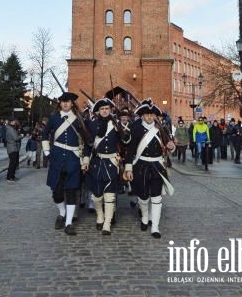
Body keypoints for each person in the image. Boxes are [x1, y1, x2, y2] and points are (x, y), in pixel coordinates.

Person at [124, 99, 175, 239]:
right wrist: (128, 168)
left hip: (157, 166)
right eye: (147, 115)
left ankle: (155, 227)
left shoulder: (161, 128)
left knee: (156, 197)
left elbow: (168, 145)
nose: (149, 117)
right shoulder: (135, 128)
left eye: (152, 115)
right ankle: (145, 217)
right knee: (143, 196)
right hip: (140, 166)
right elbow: (131, 150)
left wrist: (171, 146)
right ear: (142, 115)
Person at [82, 97, 128, 236]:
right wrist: (85, 160)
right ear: (98, 111)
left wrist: (123, 130)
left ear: (110, 110)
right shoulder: (91, 124)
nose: (104, 111)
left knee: (109, 195)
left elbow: (126, 141)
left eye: (107, 108)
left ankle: (107, 223)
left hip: (111, 163)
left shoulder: (116, 123)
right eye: (102, 109)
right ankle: (99, 216)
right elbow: (88, 145)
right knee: (97, 195)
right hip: (97, 162)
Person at [42, 92, 86, 236]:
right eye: (63, 101)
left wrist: (84, 158)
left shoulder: (79, 119)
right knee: (57, 192)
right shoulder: (54, 118)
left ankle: (68, 223)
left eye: (68, 102)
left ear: (72, 103)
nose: (65, 104)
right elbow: (45, 134)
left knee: (72, 191)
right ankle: (62, 213)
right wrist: (47, 152)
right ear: (60, 103)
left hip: (73, 160)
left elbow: (85, 138)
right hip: (57, 158)